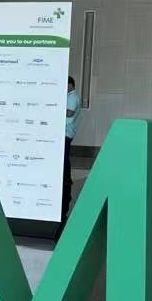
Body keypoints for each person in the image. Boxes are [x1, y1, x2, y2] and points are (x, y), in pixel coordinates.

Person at [63, 75, 82, 222]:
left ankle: (67, 177)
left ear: (71, 85)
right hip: (67, 131)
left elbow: (69, 112)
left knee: (65, 156)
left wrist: (55, 108)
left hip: (67, 131)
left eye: (66, 84)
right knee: (65, 155)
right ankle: (66, 177)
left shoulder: (72, 97)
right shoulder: (71, 97)